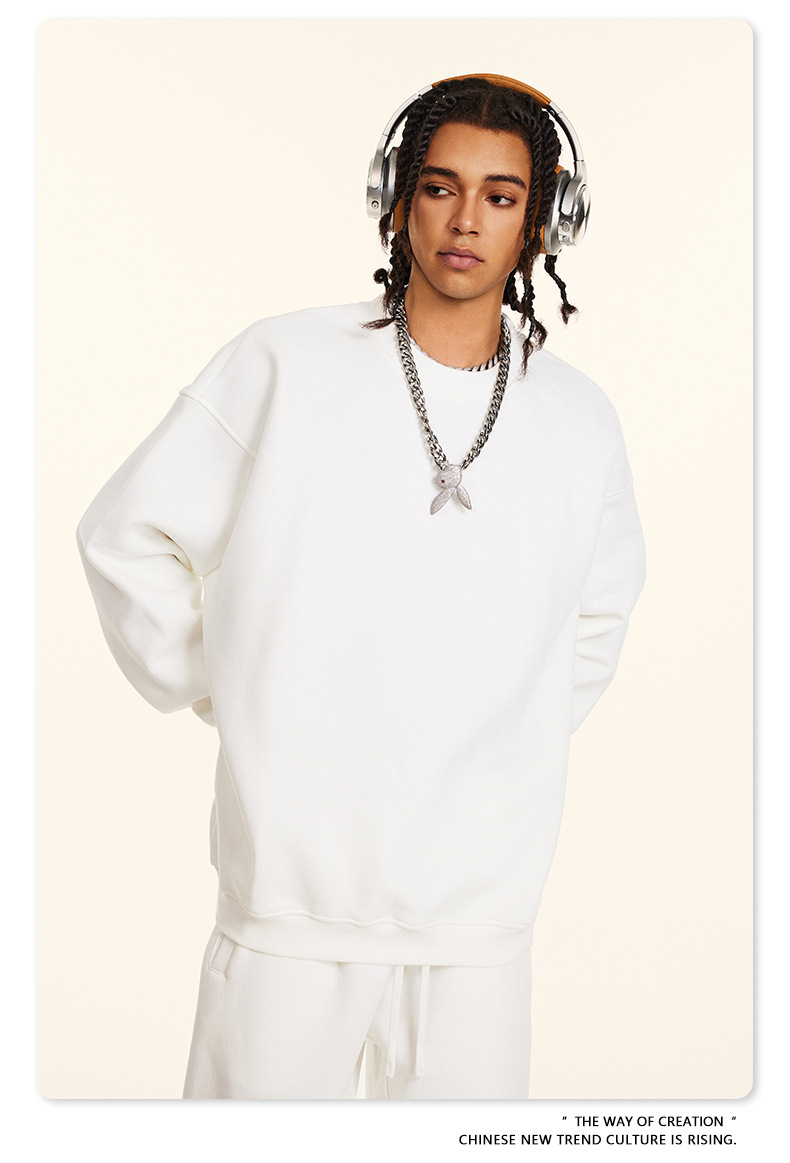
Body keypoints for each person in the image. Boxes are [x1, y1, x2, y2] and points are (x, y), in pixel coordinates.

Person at [77, 74, 645, 1100]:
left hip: (480, 919)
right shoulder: (284, 362)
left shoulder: (579, 419)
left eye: (502, 196)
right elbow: (124, 535)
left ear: (543, 222)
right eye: (439, 186)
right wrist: (236, 683)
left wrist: (497, 741)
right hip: (289, 903)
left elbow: (594, 621)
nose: (466, 219)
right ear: (396, 199)